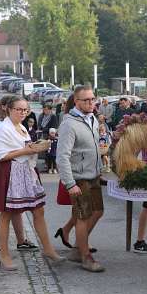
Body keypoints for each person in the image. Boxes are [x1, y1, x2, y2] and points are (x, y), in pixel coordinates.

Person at [0, 96, 63, 271]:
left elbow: (25, 148)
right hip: (10, 171)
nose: (22, 113)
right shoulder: (3, 128)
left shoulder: (21, 126)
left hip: (26, 171)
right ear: (9, 109)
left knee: (39, 210)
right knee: (6, 214)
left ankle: (48, 249)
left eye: (25, 110)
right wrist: (26, 149)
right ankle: (4, 254)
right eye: (19, 110)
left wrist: (35, 147)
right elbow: (0, 155)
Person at [57, 85, 105, 272]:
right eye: (86, 100)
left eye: (93, 99)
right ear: (76, 102)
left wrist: (99, 169)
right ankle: (85, 257)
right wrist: (70, 184)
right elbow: (62, 157)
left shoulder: (91, 117)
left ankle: (78, 248)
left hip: (93, 176)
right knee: (82, 217)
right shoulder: (69, 124)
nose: (91, 102)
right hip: (78, 178)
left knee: (98, 211)